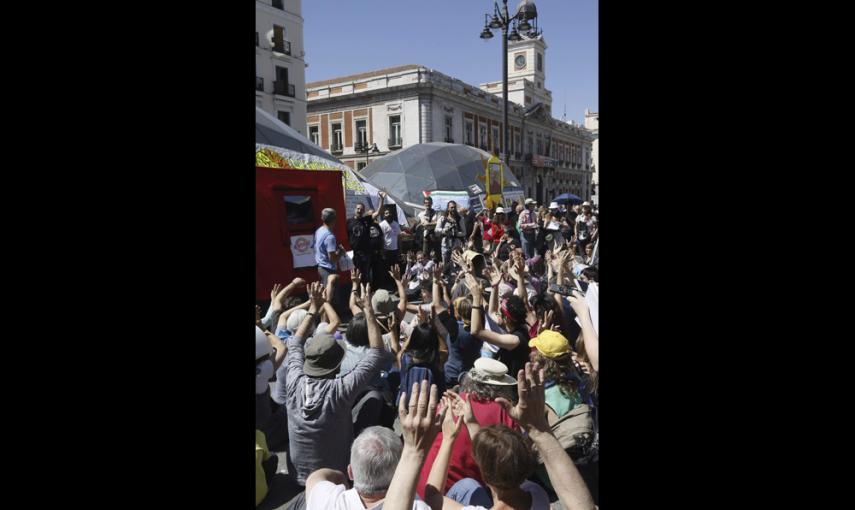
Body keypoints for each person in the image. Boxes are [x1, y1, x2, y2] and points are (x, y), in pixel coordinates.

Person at [423, 362, 596, 510]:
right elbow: (579, 502)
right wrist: (538, 429)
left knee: (467, 486)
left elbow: (432, 495)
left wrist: (448, 438)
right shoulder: (538, 497)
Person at [276, 282, 393, 486]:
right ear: (336, 367)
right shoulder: (340, 390)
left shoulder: (294, 377)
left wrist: (313, 309)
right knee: (374, 397)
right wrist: (369, 313)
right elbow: (377, 352)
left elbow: (294, 342)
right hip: (336, 476)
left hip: (298, 475)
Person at [415, 358, 519, 499]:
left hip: (426, 485)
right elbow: (513, 459)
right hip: (457, 493)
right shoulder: (504, 412)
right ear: (503, 386)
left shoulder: (452, 401)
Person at [305, 425, 434, 510]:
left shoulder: (326, 499)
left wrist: (340, 477)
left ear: (351, 472)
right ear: (397, 474)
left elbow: (316, 477)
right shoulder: (417, 506)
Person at [315, 208, 345, 288]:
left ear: (322, 218)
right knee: (332, 298)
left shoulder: (319, 231)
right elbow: (332, 259)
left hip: (321, 268)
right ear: (334, 219)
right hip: (329, 271)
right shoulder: (330, 237)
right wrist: (341, 253)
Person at [347, 203, 374, 285]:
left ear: (363, 211)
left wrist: (382, 201)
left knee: (365, 274)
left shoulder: (366, 220)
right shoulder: (349, 222)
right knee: (355, 274)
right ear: (355, 209)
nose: (359, 211)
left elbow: (377, 213)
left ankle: (366, 292)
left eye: (361, 209)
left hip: (365, 253)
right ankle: (356, 292)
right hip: (353, 254)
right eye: (358, 209)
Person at [380, 203, 402, 291]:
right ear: (384, 215)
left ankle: (394, 285)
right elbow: (381, 239)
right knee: (386, 270)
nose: (388, 214)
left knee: (395, 269)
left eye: (389, 213)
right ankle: (387, 286)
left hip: (395, 250)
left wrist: (400, 250)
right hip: (386, 251)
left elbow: (399, 237)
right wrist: (382, 251)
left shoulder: (396, 224)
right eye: (386, 213)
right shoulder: (382, 225)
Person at [438, 201, 466, 268]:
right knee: (445, 262)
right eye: (451, 207)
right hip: (445, 244)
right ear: (448, 208)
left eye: (454, 207)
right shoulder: (442, 219)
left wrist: (456, 233)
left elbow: (464, 232)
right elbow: (437, 230)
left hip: (456, 244)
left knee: (457, 262)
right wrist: (445, 230)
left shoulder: (459, 219)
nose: (453, 209)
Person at [418, 196, 442, 263]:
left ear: (432, 203)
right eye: (426, 203)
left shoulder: (437, 213)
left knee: (438, 256)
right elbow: (424, 224)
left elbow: (438, 224)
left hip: (436, 237)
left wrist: (429, 224)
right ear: (424, 204)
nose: (427, 204)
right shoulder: (421, 214)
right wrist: (434, 223)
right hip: (426, 237)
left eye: (429, 203)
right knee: (425, 256)